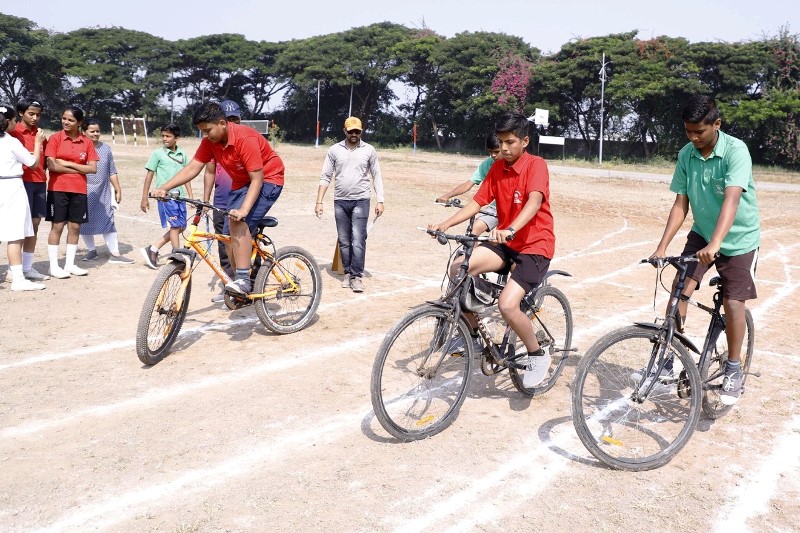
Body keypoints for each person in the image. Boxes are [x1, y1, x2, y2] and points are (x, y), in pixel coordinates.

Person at [428, 111, 555, 388]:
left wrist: (510, 228)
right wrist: (444, 224)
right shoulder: (497, 168)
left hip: (535, 246)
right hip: (505, 244)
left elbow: (533, 203)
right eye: (500, 142)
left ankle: (537, 354)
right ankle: (474, 336)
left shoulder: (537, 165)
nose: (504, 148)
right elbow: (477, 203)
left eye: (510, 142)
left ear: (525, 141)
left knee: (507, 305)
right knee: (458, 268)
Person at [649, 94, 760, 405]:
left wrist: (717, 243)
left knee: (733, 303)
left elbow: (732, 199)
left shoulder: (736, 151)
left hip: (739, 240)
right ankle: (670, 360)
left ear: (717, 124)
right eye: (688, 131)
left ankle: (734, 369)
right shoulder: (687, 154)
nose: (693, 138)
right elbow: (680, 203)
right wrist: (662, 247)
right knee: (678, 290)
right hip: (702, 234)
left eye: (699, 131)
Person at [153, 101, 284, 295]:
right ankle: (238, 282)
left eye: (207, 131)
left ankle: (243, 279)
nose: (205, 136)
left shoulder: (244, 138)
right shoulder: (210, 142)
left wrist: (244, 210)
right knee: (226, 234)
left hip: (269, 179)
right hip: (241, 182)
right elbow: (193, 167)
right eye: (201, 132)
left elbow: (257, 179)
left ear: (222, 123)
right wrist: (164, 187)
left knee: (239, 222)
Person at [314, 116, 385, 293]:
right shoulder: (334, 150)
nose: (354, 134)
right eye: (351, 131)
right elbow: (325, 176)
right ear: (345, 131)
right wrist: (319, 201)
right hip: (340, 201)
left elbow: (376, 175)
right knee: (344, 240)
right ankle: (347, 273)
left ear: (361, 131)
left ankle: (357, 276)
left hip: (362, 200)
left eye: (357, 131)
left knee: (358, 239)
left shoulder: (369, 150)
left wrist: (380, 200)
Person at [44, 105, 98, 279]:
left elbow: (93, 168)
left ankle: (70, 264)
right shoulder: (55, 138)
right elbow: (52, 165)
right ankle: (54, 266)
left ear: (79, 122)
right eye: (64, 118)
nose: (66, 122)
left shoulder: (87, 142)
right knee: (57, 226)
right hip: (57, 188)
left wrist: (68, 164)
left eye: (71, 120)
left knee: (75, 226)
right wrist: (80, 170)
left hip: (79, 190)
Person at [0, 103, 47, 290]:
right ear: (9, 122)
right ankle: (18, 278)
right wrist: (37, 144)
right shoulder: (11, 142)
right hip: (11, 185)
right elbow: (33, 163)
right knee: (15, 234)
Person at [80, 119, 134, 264]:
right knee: (83, 222)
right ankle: (91, 251)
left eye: (98, 131)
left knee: (108, 220)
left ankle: (115, 254)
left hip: (103, 191)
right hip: (84, 191)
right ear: (84, 132)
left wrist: (117, 188)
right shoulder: (80, 148)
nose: (96, 134)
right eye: (92, 131)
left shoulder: (106, 148)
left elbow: (112, 170)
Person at [140, 123, 191, 269]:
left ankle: (154, 248)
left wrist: (191, 196)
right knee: (175, 226)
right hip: (165, 197)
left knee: (181, 226)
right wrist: (144, 197)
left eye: (168, 136)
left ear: (177, 138)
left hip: (179, 196)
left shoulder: (183, 154)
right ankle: (177, 255)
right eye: (163, 136)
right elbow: (149, 175)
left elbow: (187, 176)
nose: (164, 139)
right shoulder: (157, 154)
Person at [202, 100, 239, 302]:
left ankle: (246, 282)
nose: (232, 122)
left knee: (240, 243)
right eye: (229, 118)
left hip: (240, 202)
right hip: (220, 201)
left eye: (235, 118)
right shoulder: (214, 144)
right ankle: (228, 284)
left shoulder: (243, 141)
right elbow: (208, 172)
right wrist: (206, 200)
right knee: (223, 245)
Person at [9, 98, 50, 281]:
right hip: (20, 182)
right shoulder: (13, 133)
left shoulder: (40, 134)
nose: (35, 118)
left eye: (38, 115)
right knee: (18, 227)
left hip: (39, 182)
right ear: (20, 113)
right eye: (31, 114)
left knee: (34, 224)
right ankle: (13, 268)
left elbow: (44, 160)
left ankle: (27, 267)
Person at [436, 133, 501, 234]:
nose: (493, 155)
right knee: (473, 231)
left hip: (517, 210)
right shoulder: (488, 164)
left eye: (496, 152)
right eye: (490, 152)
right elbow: (469, 185)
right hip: (496, 208)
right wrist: (447, 196)